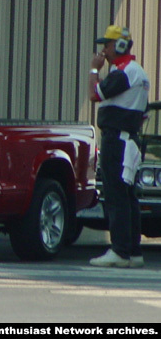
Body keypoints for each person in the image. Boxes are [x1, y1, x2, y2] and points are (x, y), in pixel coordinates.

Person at [88, 25, 150, 268]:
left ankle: (120, 250)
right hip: (130, 139)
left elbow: (95, 93)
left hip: (118, 140)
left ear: (121, 45)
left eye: (108, 44)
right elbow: (144, 113)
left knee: (116, 196)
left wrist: (94, 68)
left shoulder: (125, 71)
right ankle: (133, 251)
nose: (104, 49)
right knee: (128, 196)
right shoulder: (139, 73)